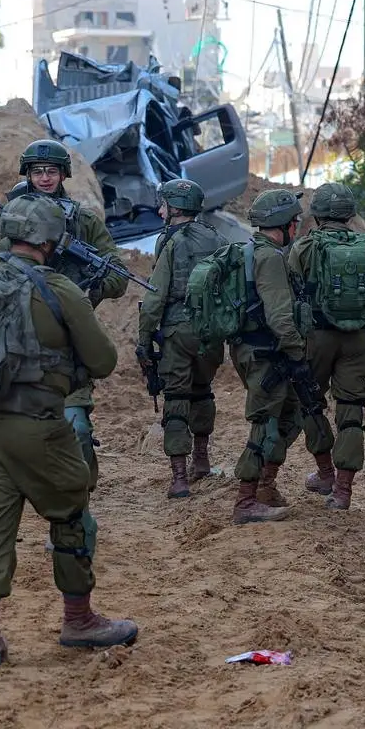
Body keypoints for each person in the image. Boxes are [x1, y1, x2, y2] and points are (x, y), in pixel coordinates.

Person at [0, 197, 138, 665]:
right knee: (71, 513)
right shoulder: (59, 289)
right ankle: (79, 619)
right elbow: (104, 360)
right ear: (49, 240)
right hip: (39, 426)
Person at [0, 139, 126, 493]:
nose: (44, 178)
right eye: (37, 172)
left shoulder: (83, 219)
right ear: (28, 174)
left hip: (66, 335)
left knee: (78, 428)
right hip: (13, 333)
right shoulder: (7, 216)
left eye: (51, 171)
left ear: (63, 175)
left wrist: (90, 279)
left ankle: (78, 498)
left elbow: (118, 275)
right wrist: (14, 234)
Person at [287, 182, 365, 510]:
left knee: (309, 404)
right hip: (357, 341)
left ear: (316, 214)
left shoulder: (302, 248)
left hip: (315, 338)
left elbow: (288, 300)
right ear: (350, 214)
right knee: (350, 413)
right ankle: (343, 491)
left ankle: (325, 471)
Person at [136, 179, 228, 497]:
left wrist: (144, 337)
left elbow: (156, 294)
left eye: (163, 204)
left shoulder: (170, 242)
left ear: (175, 207)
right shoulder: (217, 237)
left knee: (177, 397)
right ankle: (201, 459)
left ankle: (179, 478)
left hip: (177, 329)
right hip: (211, 331)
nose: (160, 209)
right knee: (203, 391)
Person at [229, 188, 312, 524]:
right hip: (266, 352)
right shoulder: (271, 258)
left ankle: (265, 484)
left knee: (290, 413)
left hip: (253, 348)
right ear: (284, 225)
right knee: (264, 423)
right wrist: (298, 353)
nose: (297, 228)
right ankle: (246, 501)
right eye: (294, 222)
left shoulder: (248, 251)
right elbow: (279, 316)